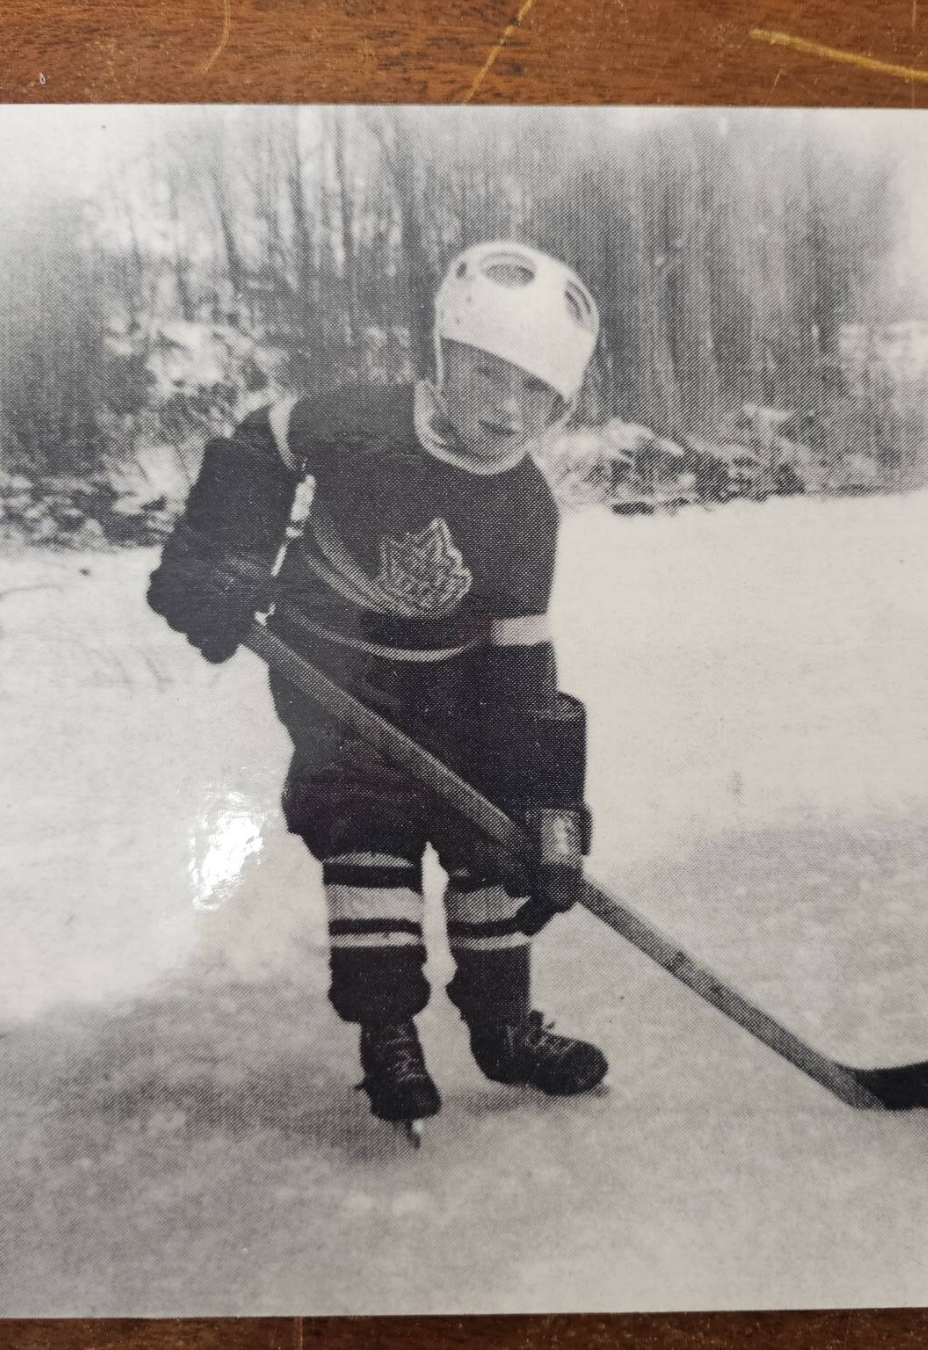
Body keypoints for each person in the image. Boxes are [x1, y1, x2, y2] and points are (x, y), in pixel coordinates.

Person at [148, 240, 608, 1133]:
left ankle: (505, 1029)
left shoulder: (525, 509)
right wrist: (222, 553)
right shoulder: (365, 423)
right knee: (370, 831)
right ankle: (387, 1032)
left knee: (492, 840)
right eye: (488, 375)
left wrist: (547, 803)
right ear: (443, 356)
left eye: (536, 394)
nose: (507, 409)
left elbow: (522, 656)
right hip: (334, 675)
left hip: (457, 691)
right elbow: (263, 441)